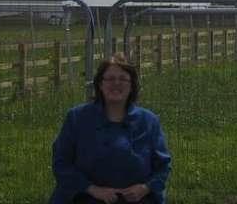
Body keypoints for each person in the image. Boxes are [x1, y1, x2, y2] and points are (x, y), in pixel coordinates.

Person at [49, 54, 171, 204]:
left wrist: (144, 188)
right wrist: (93, 189)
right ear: (100, 84)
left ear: (132, 85)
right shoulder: (77, 118)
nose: (116, 83)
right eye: (110, 78)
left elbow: (162, 167)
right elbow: (61, 163)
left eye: (122, 78)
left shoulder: (148, 121)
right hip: (84, 198)